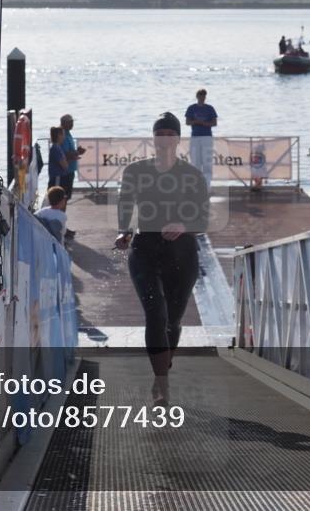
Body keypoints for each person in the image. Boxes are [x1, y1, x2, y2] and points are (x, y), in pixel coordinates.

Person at [114, 112, 210, 407]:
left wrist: (182, 225)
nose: (165, 139)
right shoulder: (135, 171)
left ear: (178, 139)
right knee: (156, 312)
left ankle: (161, 371)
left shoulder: (191, 175)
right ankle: (162, 384)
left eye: (171, 133)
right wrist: (124, 232)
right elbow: (125, 205)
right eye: (160, 133)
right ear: (153, 138)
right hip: (145, 248)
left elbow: (203, 218)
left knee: (173, 320)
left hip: (182, 252)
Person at [184, 89, 217, 189]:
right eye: (200, 96)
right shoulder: (191, 108)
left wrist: (204, 124)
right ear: (197, 96)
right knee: (195, 162)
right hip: (195, 137)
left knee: (207, 162)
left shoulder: (210, 108)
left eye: (204, 96)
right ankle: (196, 185)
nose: (202, 98)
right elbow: (187, 122)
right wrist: (195, 122)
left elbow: (214, 123)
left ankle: (207, 186)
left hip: (206, 137)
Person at [60, 114, 86, 239]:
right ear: (64, 123)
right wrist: (77, 152)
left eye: (72, 122)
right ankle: (61, 227)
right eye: (70, 122)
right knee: (62, 200)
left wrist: (76, 151)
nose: (72, 124)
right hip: (65, 173)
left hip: (69, 172)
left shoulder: (67, 134)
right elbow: (64, 154)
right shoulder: (64, 135)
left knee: (65, 200)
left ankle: (62, 226)